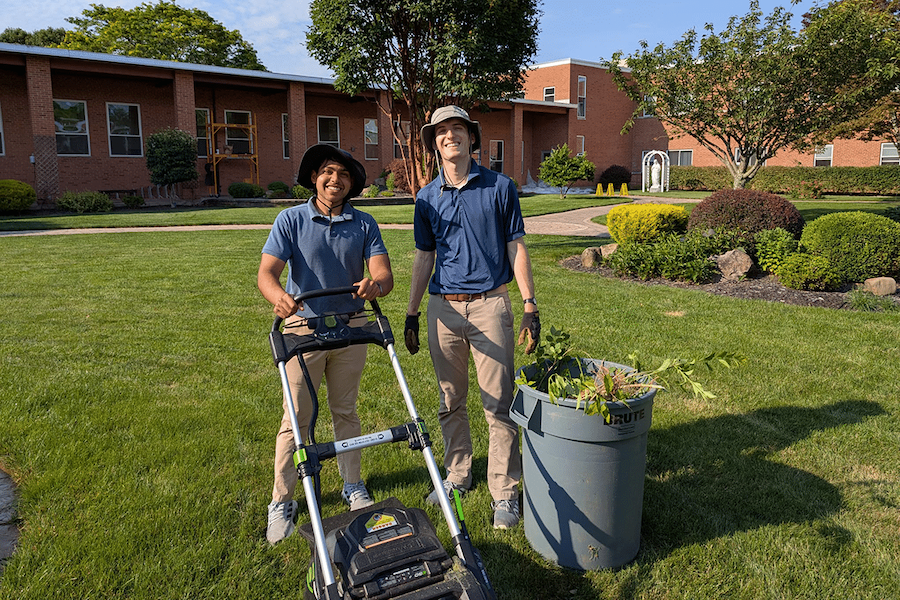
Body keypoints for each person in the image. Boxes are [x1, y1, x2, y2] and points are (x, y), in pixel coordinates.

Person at [404, 105, 540, 530]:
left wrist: (529, 304)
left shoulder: (500, 187)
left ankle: (504, 492)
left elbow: (516, 247)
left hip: (490, 305)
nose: (449, 136)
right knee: (450, 400)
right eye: (441, 132)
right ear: (434, 144)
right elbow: (424, 255)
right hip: (443, 308)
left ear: (470, 138)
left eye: (457, 129)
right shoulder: (426, 198)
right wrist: (411, 312)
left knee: (498, 404)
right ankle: (458, 475)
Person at [258, 144, 394, 545]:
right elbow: (267, 272)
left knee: (345, 411)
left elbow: (384, 275)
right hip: (304, 330)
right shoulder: (291, 220)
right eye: (329, 173)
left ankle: (352, 485)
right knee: (295, 421)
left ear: (352, 184)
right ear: (315, 177)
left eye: (345, 175)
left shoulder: (364, 223)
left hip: (352, 329)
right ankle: (282, 501)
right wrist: (277, 296)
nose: (336, 180)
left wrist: (376, 285)